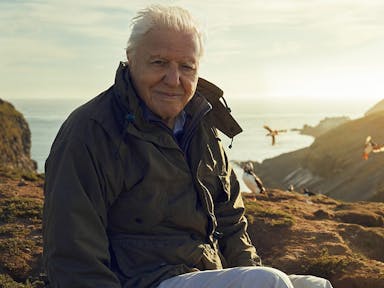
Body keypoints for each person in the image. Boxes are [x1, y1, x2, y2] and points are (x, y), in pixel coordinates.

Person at [43, 5, 333, 288]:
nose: (173, 79)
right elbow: (72, 250)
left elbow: (230, 221)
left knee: (314, 285)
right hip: (142, 279)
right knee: (269, 282)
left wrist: (249, 272)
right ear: (131, 58)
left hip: (202, 271)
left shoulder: (203, 127)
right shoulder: (91, 131)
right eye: (159, 63)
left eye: (186, 66)